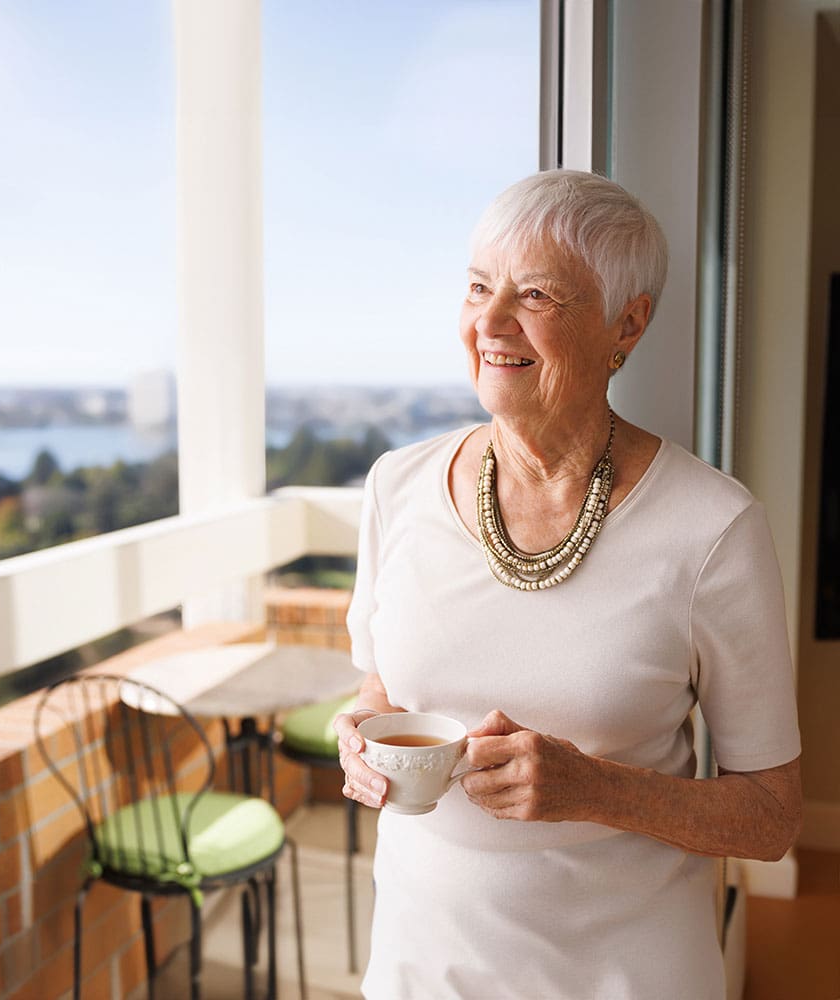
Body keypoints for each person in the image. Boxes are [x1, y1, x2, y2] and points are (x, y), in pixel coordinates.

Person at [335, 169, 802, 999]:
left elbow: (770, 816)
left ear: (628, 322)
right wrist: (362, 727)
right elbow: (380, 681)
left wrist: (599, 790)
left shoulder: (714, 530)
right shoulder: (394, 487)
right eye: (479, 286)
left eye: (536, 294)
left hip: (626, 978)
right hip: (420, 968)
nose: (489, 321)